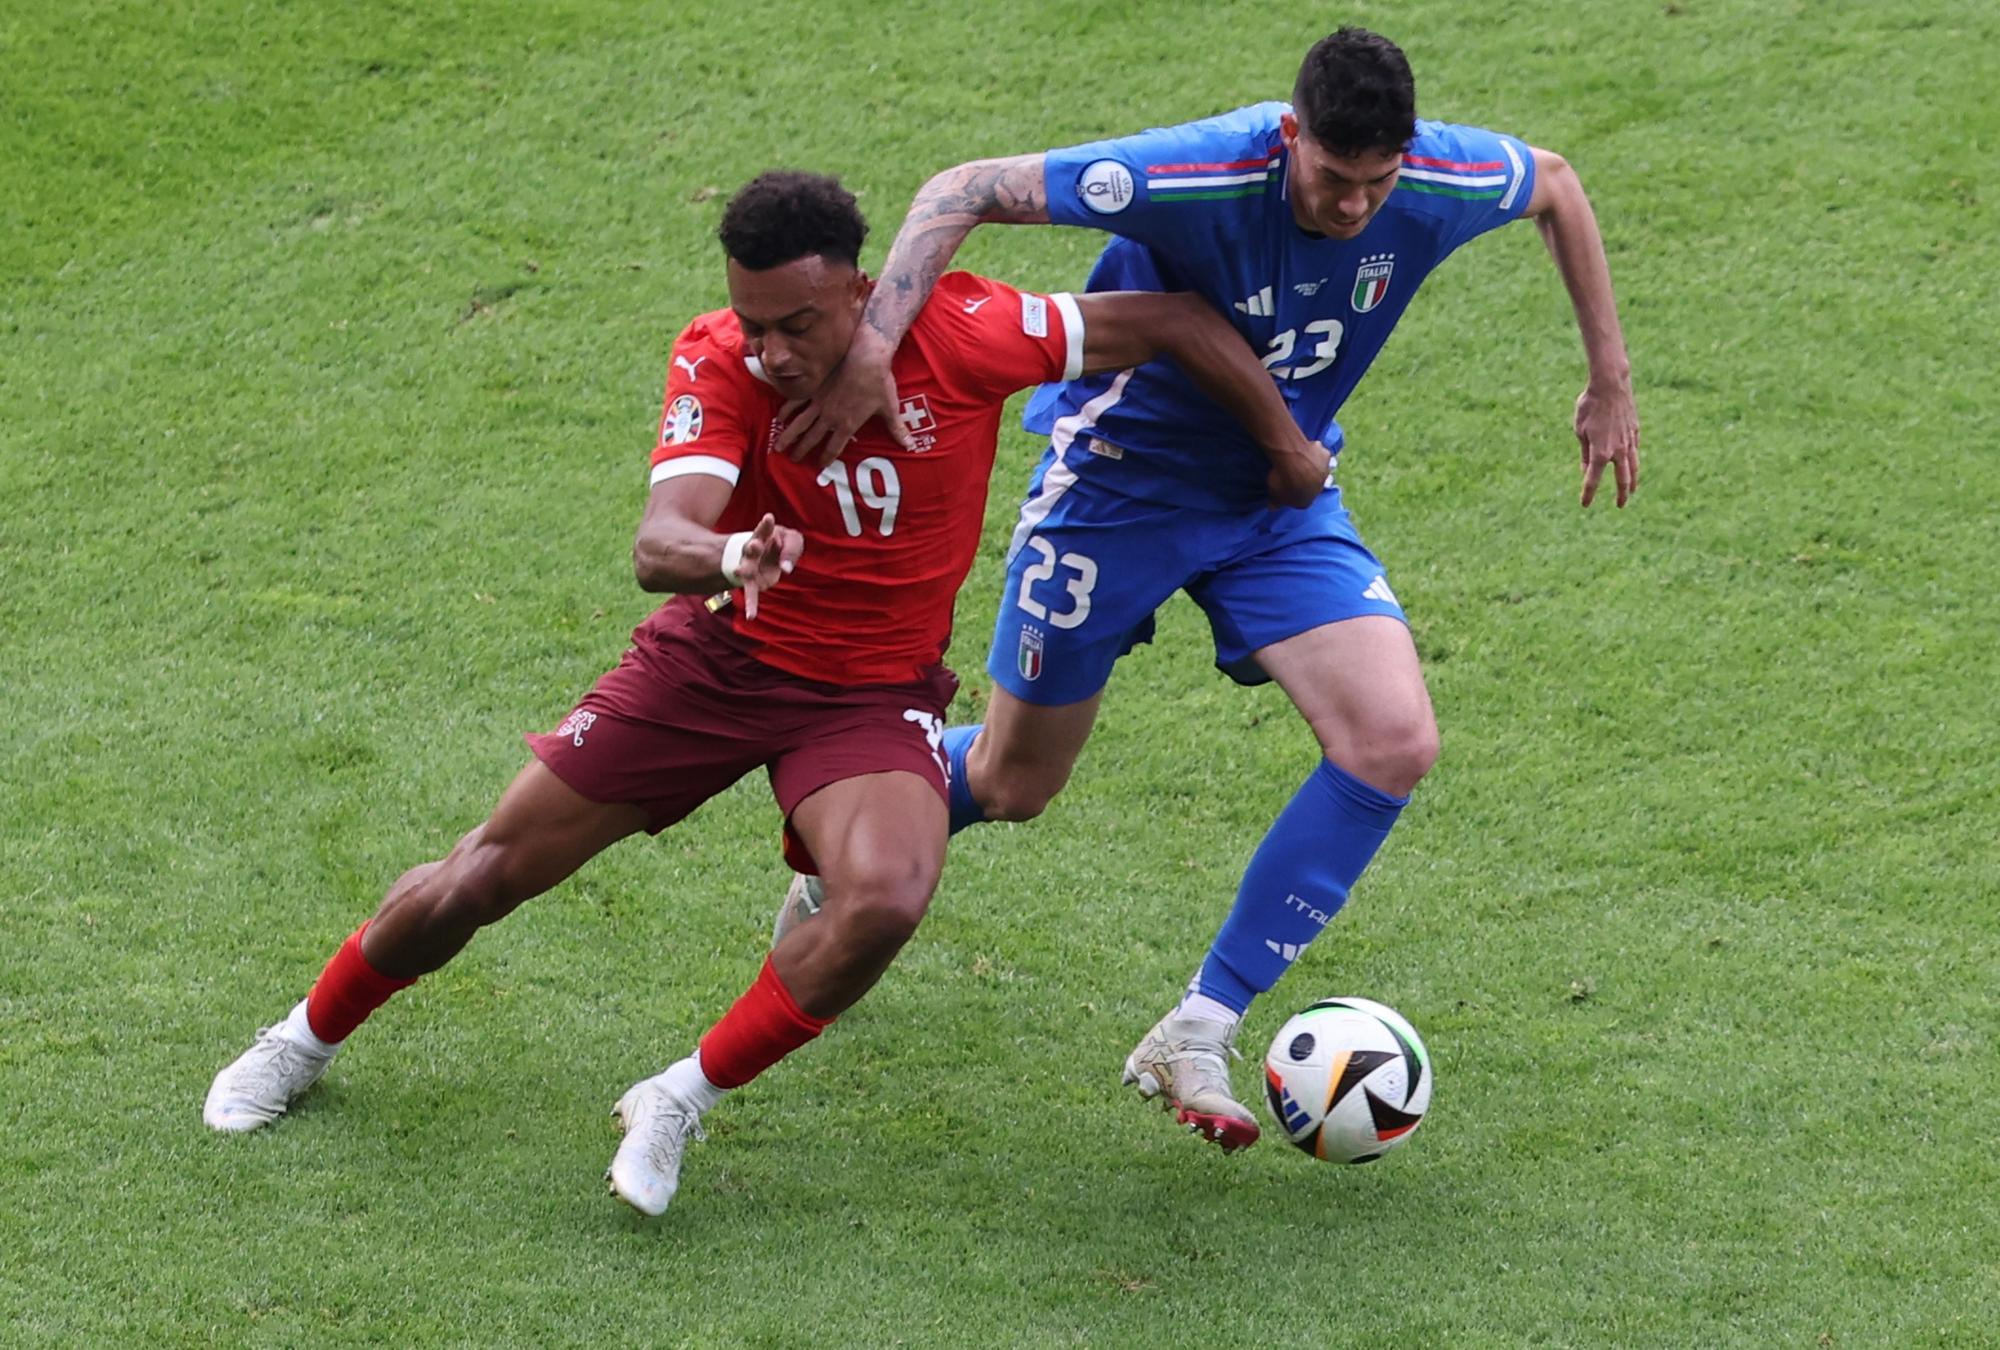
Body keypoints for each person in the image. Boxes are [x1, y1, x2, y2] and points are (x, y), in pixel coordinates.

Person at [201, 170, 1326, 1213]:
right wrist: (731, 556)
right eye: (754, 322)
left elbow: (1175, 321)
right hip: (716, 663)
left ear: (863, 291)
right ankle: (302, 1037)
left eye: (798, 325)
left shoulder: (970, 332)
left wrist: (1283, 446)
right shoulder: (718, 359)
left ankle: (676, 1097)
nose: (773, 350)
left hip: (869, 694)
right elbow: (660, 539)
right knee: (484, 875)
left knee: (884, 898)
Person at [770, 28, 1641, 1151]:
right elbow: (964, 189)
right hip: (1115, 492)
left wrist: (1606, 378)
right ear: (1292, 139)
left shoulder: (1435, 180)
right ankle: (852, 820)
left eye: (1378, 183)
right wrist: (875, 345)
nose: (1354, 209)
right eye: (1332, 180)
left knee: (1390, 740)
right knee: (1015, 779)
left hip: (1279, 498)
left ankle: (1197, 1023)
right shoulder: (1191, 173)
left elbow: (1557, 184)